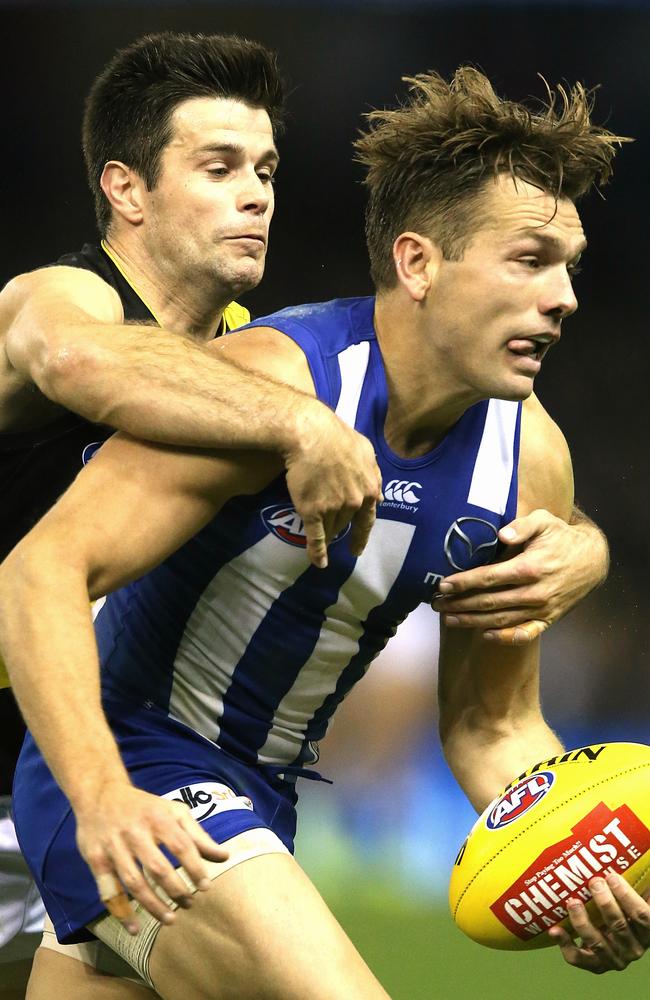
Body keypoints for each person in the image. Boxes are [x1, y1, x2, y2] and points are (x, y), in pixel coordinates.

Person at [0, 48, 625, 995]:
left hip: (262, 799)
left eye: (569, 267)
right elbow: (38, 571)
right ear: (416, 262)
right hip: (132, 771)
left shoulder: (531, 459)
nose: (564, 297)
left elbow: (490, 725)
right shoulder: (273, 383)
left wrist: (575, 866)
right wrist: (102, 798)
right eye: (530, 262)